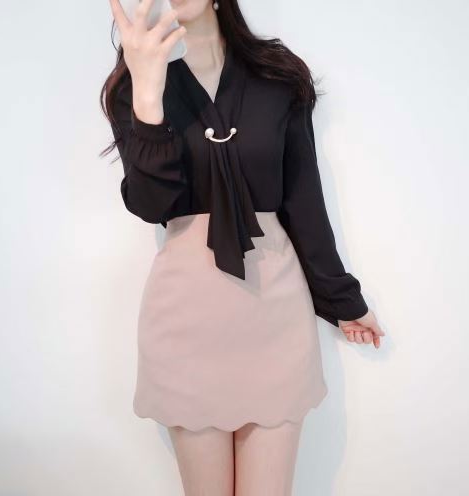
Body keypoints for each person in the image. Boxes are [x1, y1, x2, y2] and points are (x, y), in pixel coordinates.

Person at [101, 0, 385, 494]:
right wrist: (147, 91)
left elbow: (303, 200)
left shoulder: (279, 78)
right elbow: (151, 204)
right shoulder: (134, 87)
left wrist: (343, 300)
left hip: (274, 314)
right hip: (185, 319)